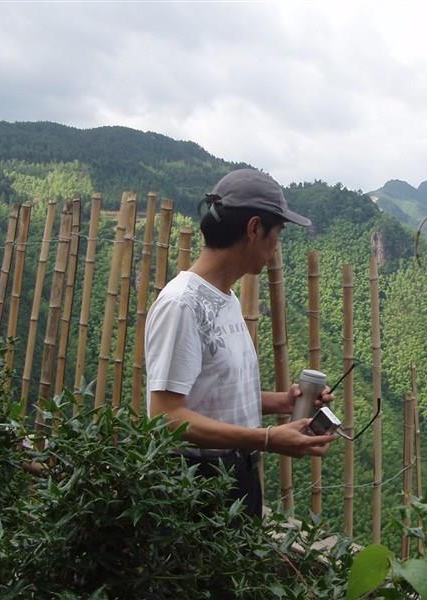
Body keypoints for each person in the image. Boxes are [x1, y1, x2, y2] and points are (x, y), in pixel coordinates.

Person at [144, 168, 336, 518]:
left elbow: (210, 394)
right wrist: (268, 438)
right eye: (277, 234)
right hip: (196, 487)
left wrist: (284, 402)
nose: (277, 247)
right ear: (254, 229)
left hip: (238, 475)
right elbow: (166, 416)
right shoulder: (182, 304)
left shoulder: (226, 298)